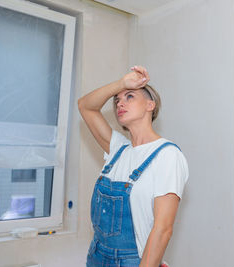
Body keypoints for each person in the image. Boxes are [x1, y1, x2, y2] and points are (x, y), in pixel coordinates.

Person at [78, 66, 189, 266]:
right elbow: (85, 106)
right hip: (96, 256)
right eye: (117, 100)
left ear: (150, 105)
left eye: (130, 96)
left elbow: (162, 229)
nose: (120, 103)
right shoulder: (118, 149)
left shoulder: (167, 155)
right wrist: (121, 84)